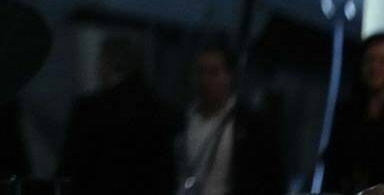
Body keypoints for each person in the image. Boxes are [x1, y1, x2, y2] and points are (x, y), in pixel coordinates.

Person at [55, 34, 177, 195]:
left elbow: (69, 169)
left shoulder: (89, 111)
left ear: (107, 63)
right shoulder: (159, 111)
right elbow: (167, 176)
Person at [174, 41, 284, 195]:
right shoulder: (182, 119)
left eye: (213, 72)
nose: (205, 80)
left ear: (229, 76)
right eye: (200, 71)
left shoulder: (251, 126)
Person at [323, 32, 384, 193]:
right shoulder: (346, 113)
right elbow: (332, 164)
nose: (375, 67)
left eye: (382, 61)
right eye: (369, 60)